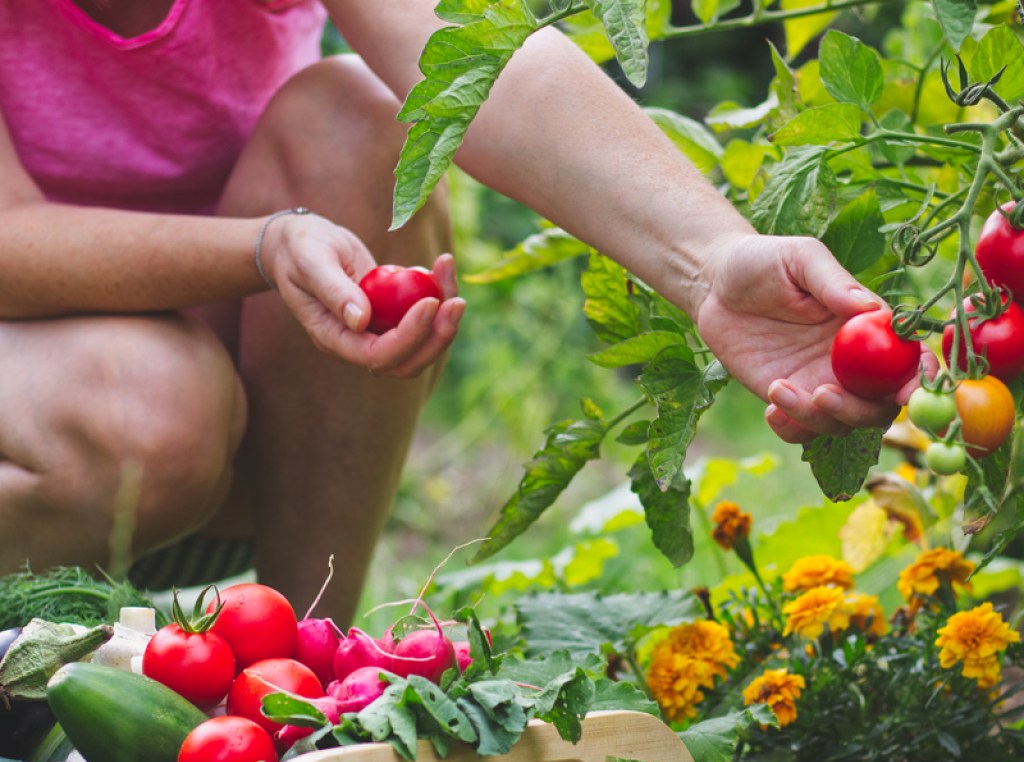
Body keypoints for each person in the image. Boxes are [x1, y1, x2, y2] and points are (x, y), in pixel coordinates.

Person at [0, 0, 907, 627]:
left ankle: (297, 676)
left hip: (217, 454)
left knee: (364, 116)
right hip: (59, 426)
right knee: (148, 413)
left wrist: (709, 261)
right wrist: (266, 247)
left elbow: (483, 64)